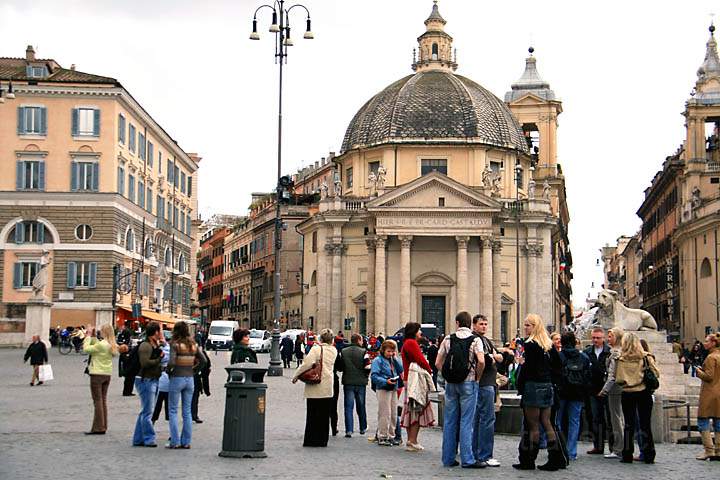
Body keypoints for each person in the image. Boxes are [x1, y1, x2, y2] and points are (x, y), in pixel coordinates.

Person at [513, 314, 565, 471]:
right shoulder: (548, 344)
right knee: (547, 423)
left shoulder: (528, 345)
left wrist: (520, 384)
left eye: (528, 325)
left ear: (535, 326)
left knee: (533, 425)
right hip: (547, 386)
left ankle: (529, 460)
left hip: (533, 387)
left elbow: (524, 368)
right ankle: (555, 458)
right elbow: (559, 365)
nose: (525, 327)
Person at [435, 312, 485, 468]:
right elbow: (482, 361)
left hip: (451, 384)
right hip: (469, 383)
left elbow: (437, 362)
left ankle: (448, 458)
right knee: (466, 422)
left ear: (457, 323)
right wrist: (477, 377)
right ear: (470, 324)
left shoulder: (448, 339)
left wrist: (447, 375)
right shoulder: (475, 339)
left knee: (449, 421)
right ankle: (467, 459)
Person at [615, 332, 659, 464]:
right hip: (643, 392)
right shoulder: (646, 357)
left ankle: (627, 454)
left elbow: (618, 379)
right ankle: (649, 454)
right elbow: (656, 373)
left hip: (628, 393)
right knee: (645, 425)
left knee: (628, 425)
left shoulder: (621, 359)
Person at [292, 328, 338, 447]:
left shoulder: (316, 349)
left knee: (312, 414)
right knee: (324, 416)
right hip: (328, 386)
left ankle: (312, 439)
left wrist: (296, 375)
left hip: (316, 386)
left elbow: (306, 364)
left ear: (321, 338)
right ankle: (322, 440)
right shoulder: (334, 350)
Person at [166, 321, 206, 449]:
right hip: (190, 379)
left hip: (177, 377)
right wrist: (195, 370)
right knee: (187, 411)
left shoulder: (175, 344)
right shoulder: (193, 344)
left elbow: (172, 362)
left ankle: (175, 441)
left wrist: (168, 370)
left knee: (172, 410)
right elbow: (204, 360)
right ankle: (186, 441)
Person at [471, 314, 503, 466]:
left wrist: (495, 356)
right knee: (487, 420)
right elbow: (486, 359)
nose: (484, 326)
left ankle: (477, 452)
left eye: (485, 324)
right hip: (484, 383)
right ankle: (485, 455)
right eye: (481, 324)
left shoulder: (486, 340)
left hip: (485, 383)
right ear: (474, 325)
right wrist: (493, 356)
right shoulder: (476, 340)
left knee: (479, 420)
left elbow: (500, 357)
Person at [82, 324, 125, 434]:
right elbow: (96, 345)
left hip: (97, 374)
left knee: (97, 401)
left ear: (104, 332)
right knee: (103, 401)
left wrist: (88, 336)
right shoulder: (112, 345)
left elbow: (87, 349)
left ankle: (98, 427)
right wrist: (93, 337)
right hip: (107, 374)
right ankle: (103, 425)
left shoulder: (102, 345)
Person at [400, 322, 435, 452]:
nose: (421, 333)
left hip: (409, 379)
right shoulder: (411, 343)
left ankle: (411, 440)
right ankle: (412, 440)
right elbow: (421, 360)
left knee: (411, 409)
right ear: (414, 331)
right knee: (416, 409)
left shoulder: (407, 343)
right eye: (419, 330)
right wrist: (429, 369)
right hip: (414, 381)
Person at [556, 332, 591, 461]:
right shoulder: (584, 357)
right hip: (578, 394)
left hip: (562, 393)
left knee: (557, 421)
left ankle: (559, 448)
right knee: (574, 422)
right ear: (575, 342)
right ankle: (572, 451)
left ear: (562, 342)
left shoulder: (559, 356)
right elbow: (588, 377)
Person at [132, 322, 164, 447]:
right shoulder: (145, 346)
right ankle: (149, 438)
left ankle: (138, 438)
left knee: (145, 410)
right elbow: (145, 363)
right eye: (160, 331)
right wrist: (159, 359)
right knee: (148, 411)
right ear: (155, 332)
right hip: (145, 380)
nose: (161, 333)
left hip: (152, 379)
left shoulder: (154, 345)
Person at [584, 327, 612, 455]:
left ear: (603, 338)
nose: (595, 340)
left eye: (598, 338)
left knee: (610, 418)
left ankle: (613, 447)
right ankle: (598, 446)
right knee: (595, 418)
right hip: (592, 389)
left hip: (607, 389)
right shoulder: (587, 352)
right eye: (594, 338)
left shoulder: (609, 351)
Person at [598, 327, 625, 459]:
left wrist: (604, 390)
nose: (608, 339)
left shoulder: (615, 353)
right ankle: (622, 446)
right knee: (620, 418)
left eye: (610, 336)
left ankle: (618, 448)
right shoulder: (621, 351)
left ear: (617, 338)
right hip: (620, 388)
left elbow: (612, 375)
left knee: (616, 419)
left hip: (614, 390)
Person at [371, 339, 403, 447]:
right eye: (388, 351)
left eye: (392, 351)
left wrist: (395, 358)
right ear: (383, 350)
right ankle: (382, 436)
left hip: (393, 387)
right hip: (383, 388)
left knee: (394, 413)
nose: (390, 353)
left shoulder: (392, 360)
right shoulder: (377, 360)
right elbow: (374, 376)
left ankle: (391, 435)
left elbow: (400, 369)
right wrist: (385, 381)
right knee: (385, 413)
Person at [695, 332, 720, 460]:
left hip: (710, 393)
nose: (704, 343)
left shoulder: (711, 358)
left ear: (713, 343)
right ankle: (719, 450)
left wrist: (699, 372)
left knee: (703, 421)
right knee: (718, 422)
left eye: (707, 341)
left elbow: (709, 376)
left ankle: (709, 450)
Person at [341, 333, 369, 438]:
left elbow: (341, 366)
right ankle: (362, 427)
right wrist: (366, 376)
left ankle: (349, 430)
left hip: (348, 382)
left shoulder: (343, 351)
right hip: (361, 382)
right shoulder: (363, 352)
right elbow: (368, 367)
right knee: (361, 405)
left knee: (348, 407)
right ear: (358, 340)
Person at [152, 340, 171, 424]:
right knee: (170, 410)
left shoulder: (161, 352)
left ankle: (150, 428)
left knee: (156, 406)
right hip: (169, 381)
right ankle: (173, 432)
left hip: (160, 381)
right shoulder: (171, 350)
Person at [191, 346, 211, 423]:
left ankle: (193, 415)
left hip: (192, 376)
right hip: (194, 376)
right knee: (193, 397)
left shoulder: (202, 354)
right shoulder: (200, 354)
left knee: (193, 397)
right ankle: (193, 415)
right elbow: (205, 366)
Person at [117, 323, 135, 396]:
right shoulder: (125, 354)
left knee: (129, 380)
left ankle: (128, 391)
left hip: (127, 369)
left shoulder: (123, 334)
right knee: (128, 380)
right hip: (127, 369)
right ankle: (127, 392)